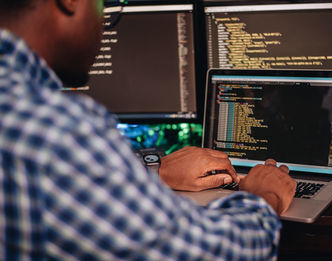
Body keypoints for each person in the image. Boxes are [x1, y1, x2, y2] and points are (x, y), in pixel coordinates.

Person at [0, 0, 296, 260]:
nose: (103, 26)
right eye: (106, 9)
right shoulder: (54, 129)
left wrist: (157, 170)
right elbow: (209, 252)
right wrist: (263, 198)